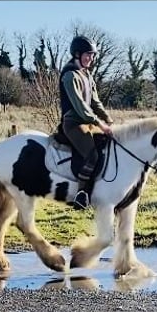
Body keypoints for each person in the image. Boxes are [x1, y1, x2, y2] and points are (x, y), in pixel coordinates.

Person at [58, 35, 114, 210]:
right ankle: (81, 194)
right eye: (88, 55)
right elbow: (80, 106)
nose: (91, 58)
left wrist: (109, 120)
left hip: (89, 122)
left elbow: (95, 103)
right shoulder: (69, 75)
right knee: (92, 155)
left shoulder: (87, 75)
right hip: (74, 123)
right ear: (77, 54)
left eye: (93, 55)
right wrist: (100, 124)